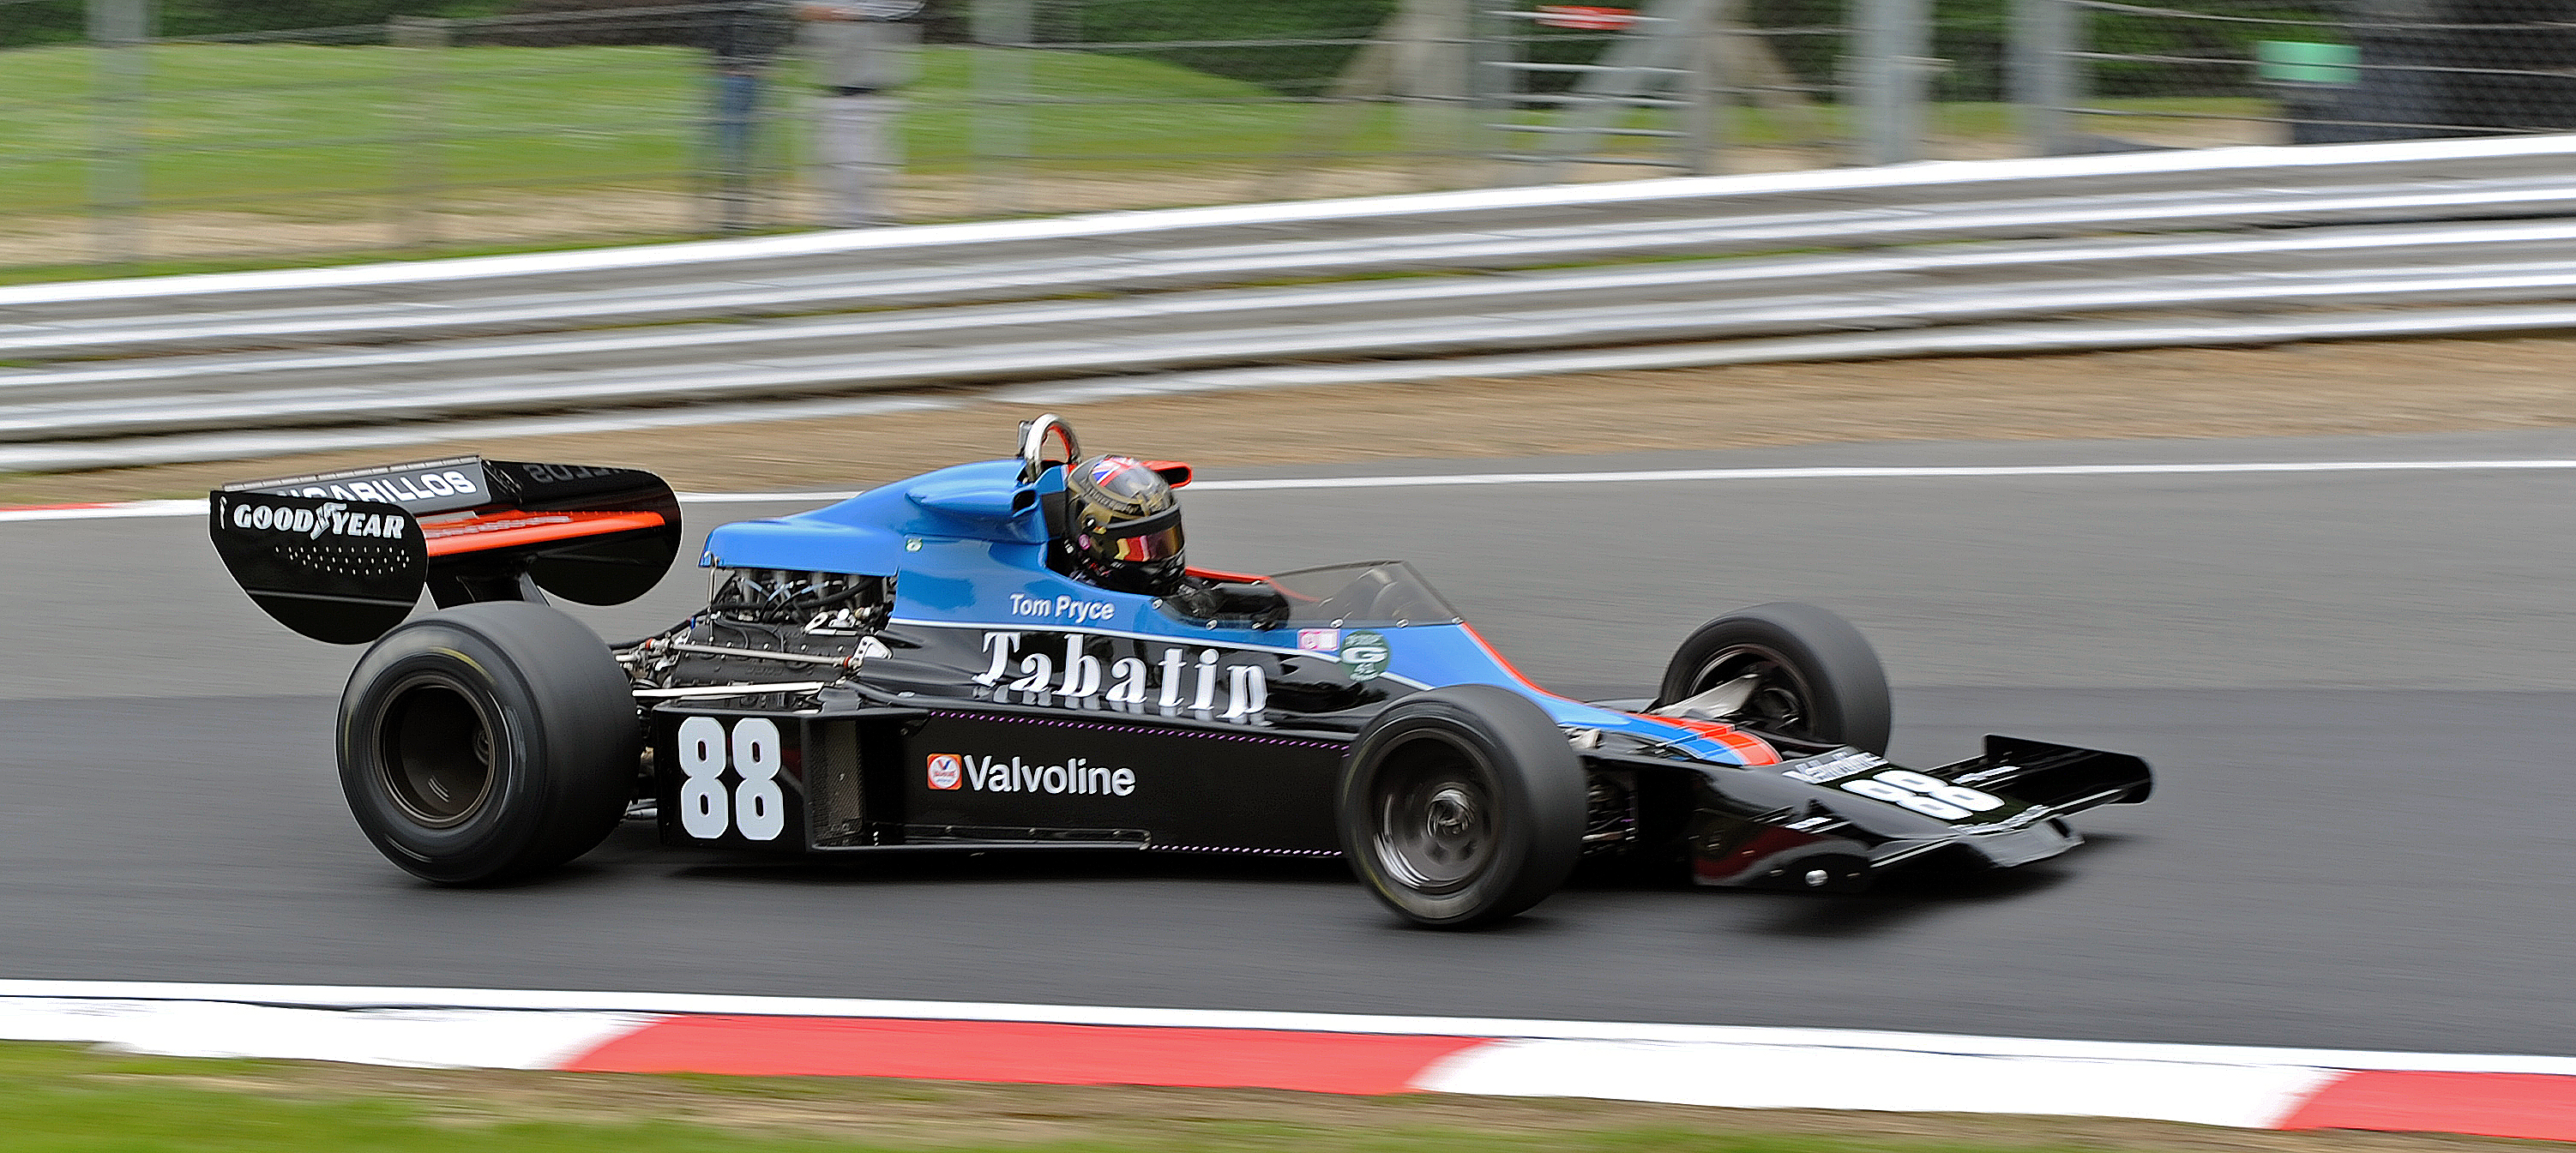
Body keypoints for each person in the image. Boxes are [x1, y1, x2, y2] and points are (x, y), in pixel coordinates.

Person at [1050, 453, 1288, 624]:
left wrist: (1248, 601)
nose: (1160, 556)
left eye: (1164, 540)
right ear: (1092, 542)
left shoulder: (1162, 587)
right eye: (1140, 547)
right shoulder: (1077, 607)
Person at [796, 0, 922, 228]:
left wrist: (848, 13)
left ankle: (870, 223)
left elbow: (908, 5)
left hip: (872, 92)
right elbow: (805, 10)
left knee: (865, 167)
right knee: (832, 165)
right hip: (832, 89)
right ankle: (845, 225)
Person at [701, 1, 797, 233]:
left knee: (750, 152)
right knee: (734, 153)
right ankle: (736, 215)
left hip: (750, 77)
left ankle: (753, 214)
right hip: (732, 77)